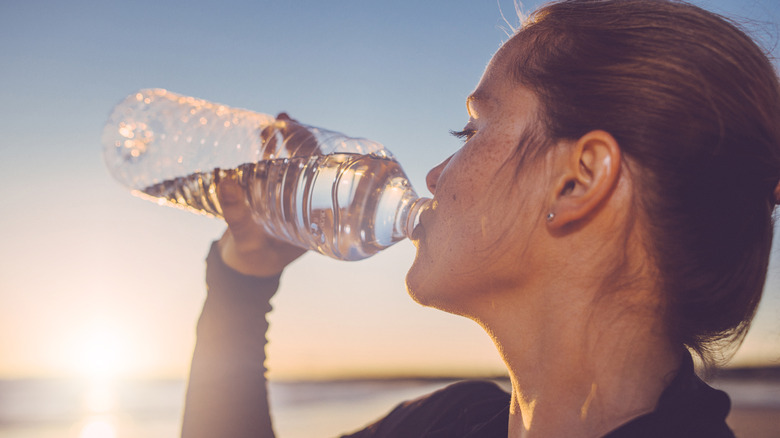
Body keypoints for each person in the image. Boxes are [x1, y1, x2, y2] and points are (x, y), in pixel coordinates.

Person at [180, 0, 780, 436]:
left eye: (471, 129)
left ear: (579, 180)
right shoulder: (449, 423)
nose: (435, 175)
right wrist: (243, 280)